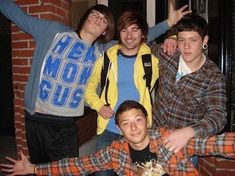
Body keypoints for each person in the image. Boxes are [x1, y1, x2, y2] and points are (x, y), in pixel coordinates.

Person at [0, 0, 189, 165]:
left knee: (66, 171)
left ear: (105, 31)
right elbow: (17, 15)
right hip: (36, 118)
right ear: (85, 18)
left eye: (104, 19)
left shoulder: (102, 51)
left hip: (67, 124)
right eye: (95, 14)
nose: (98, 18)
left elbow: (135, 38)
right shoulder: (53, 32)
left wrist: (169, 25)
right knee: (39, 169)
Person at [1, 100, 235, 176]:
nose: (133, 128)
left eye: (138, 120)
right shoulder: (116, 151)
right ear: (119, 129)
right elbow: (77, 164)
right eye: (126, 123)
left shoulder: (169, 140)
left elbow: (214, 143)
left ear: (147, 120)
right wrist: (33, 169)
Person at [84, 9, 159, 176]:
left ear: (143, 34)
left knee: (144, 173)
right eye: (124, 30)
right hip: (109, 129)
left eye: (134, 29)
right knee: (103, 174)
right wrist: (99, 106)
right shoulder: (105, 60)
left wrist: (174, 37)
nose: (129, 35)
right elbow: (88, 90)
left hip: (139, 132)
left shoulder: (151, 62)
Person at [150, 14, 227, 161]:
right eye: (182, 40)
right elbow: (139, 41)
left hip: (184, 147)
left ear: (204, 41)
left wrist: (188, 132)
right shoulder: (168, 54)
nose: (186, 47)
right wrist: (169, 34)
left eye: (193, 40)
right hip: (155, 139)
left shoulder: (213, 76)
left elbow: (218, 116)